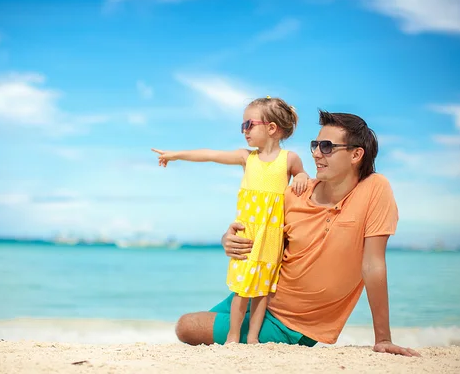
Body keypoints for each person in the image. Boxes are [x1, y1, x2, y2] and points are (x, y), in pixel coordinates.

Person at [174, 110, 421, 357]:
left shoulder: (375, 189)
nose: (315, 153)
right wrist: (228, 239)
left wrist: (384, 338)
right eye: (315, 145)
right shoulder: (294, 194)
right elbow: (263, 235)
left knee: (187, 327)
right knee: (191, 324)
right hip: (256, 290)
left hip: (291, 324)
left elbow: (373, 264)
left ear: (356, 154)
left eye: (327, 147)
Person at [152, 96, 309, 344]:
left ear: (271, 128)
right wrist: (176, 154)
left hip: (271, 236)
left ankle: (254, 338)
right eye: (242, 126)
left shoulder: (289, 160)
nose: (244, 131)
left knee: (263, 292)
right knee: (241, 289)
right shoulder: (247, 158)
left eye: (249, 124)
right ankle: (233, 337)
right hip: (247, 233)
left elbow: (301, 174)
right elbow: (210, 155)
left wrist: (301, 176)